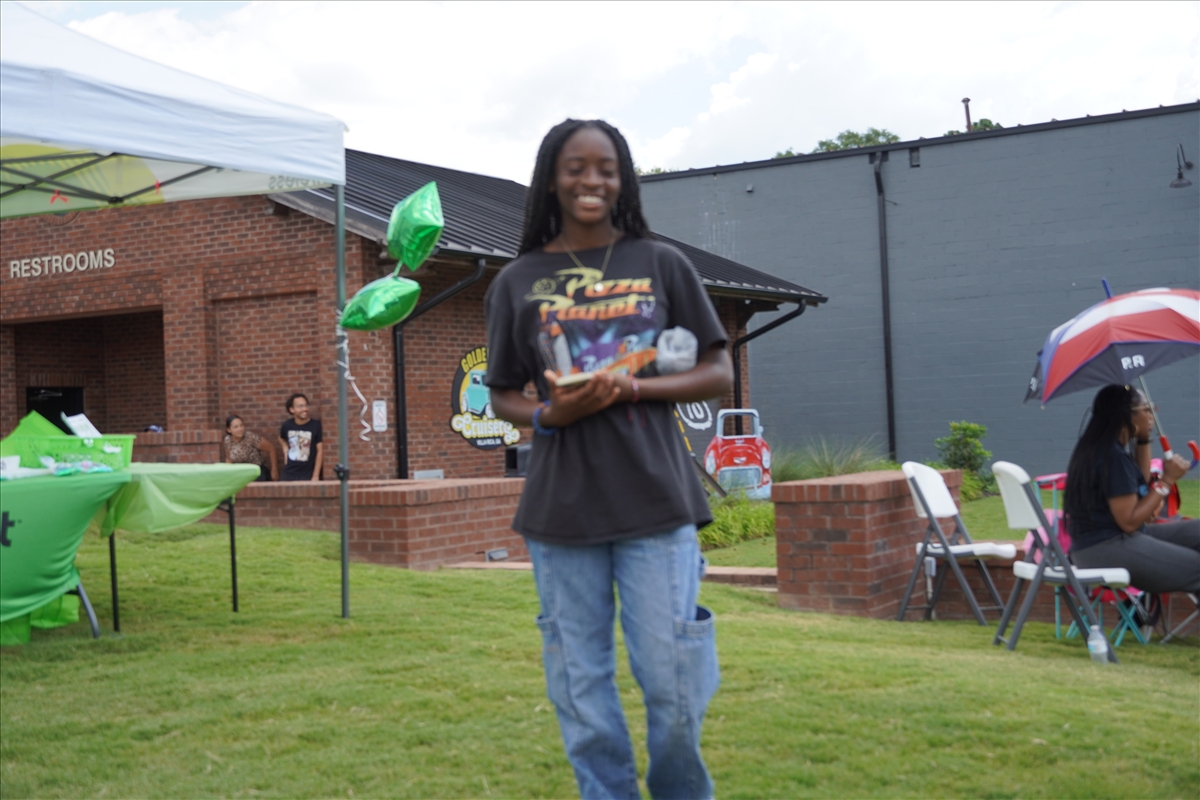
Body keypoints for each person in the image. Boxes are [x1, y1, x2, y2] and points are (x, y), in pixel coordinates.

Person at [485, 119, 733, 800]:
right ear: (552, 179)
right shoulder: (516, 281)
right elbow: (502, 393)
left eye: (606, 168)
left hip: (657, 502)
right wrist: (550, 414)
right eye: (576, 167)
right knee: (582, 689)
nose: (591, 180)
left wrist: (632, 387)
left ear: (622, 179)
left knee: (674, 684)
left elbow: (717, 371)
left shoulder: (662, 263)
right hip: (561, 511)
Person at [1064, 384, 1199, 593]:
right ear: (1127, 415)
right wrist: (1166, 481)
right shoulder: (1113, 457)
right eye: (1147, 408)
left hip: (1105, 544)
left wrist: (1143, 439)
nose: (1152, 413)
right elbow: (1130, 522)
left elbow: (1139, 487)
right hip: (1105, 548)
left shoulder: (1102, 448)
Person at [278, 393, 323, 482]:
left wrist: (315, 476)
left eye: (306, 405)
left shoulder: (316, 426)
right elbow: (281, 437)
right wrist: (285, 448)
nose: (304, 409)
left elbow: (320, 451)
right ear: (292, 409)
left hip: (307, 473)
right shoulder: (287, 425)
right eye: (300, 406)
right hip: (288, 473)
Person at [223, 414, 278, 481]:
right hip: (240, 473)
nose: (240, 429)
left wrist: (274, 470)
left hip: (257, 473)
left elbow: (271, 448)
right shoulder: (227, 440)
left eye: (241, 425)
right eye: (236, 427)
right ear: (229, 430)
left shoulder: (251, 437)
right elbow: (228, 459)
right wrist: (228, 474)